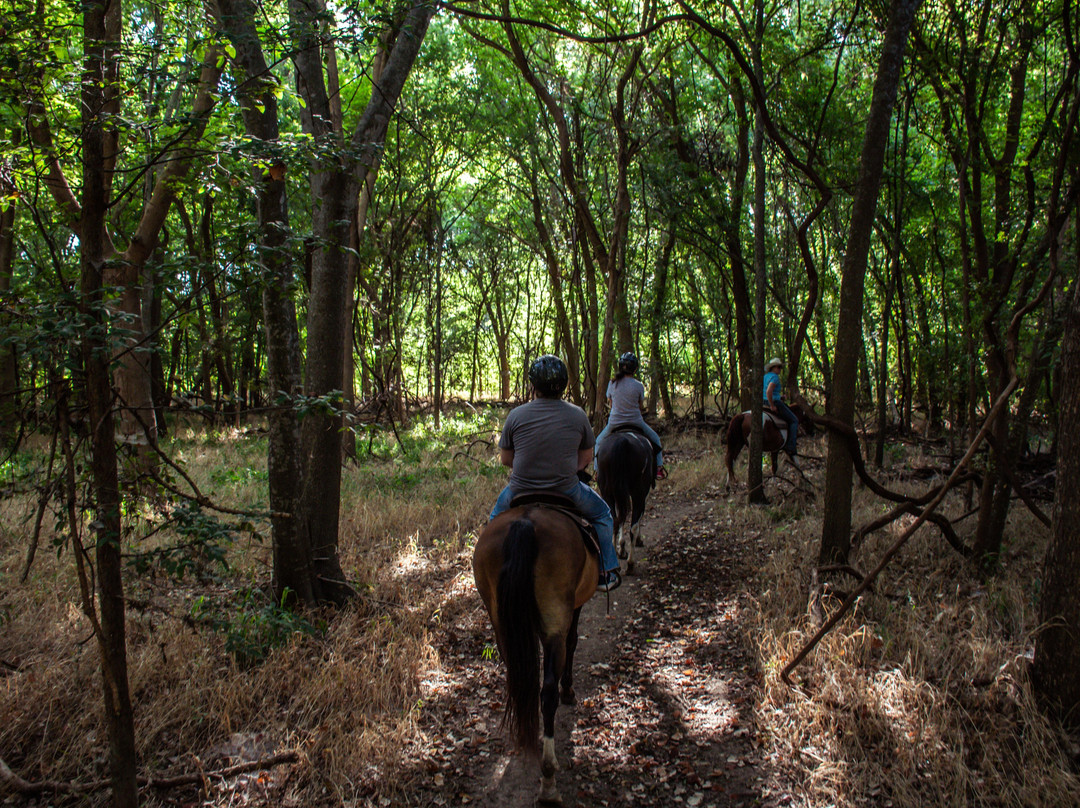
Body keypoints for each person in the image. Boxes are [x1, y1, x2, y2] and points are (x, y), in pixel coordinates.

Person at [489, 354, 621, 592]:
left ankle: (491, 573)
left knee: (493, 523)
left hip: (520, 489)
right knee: (603, 515)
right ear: (564, 385)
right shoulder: (578, 414)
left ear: (533, 384)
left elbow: (506, 459)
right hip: (566, 490)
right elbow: (586, 458)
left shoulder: (516, 415)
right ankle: (605, 573)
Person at [595, 352, 666, 479]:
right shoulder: (638, 386)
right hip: (636, 422)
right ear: (635, 369)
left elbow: (611, 405)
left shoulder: (612, 384)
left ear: (620, 366)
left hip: (615, 423)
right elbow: (640, 406)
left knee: (598, 442)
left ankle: (597, 472)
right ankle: (659, 469)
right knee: (655, 439)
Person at [763, 357, 799, 461]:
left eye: (780, 367)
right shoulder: (774, 378)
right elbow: (769, 391)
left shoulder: (765, 377)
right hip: (774, 402)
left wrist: (781, 397)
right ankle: (791, 446)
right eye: (778, 367)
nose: (779, 369)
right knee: (794, 420)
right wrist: (772, 405)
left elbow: (770, 392)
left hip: (765, 401)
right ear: (773, 368)